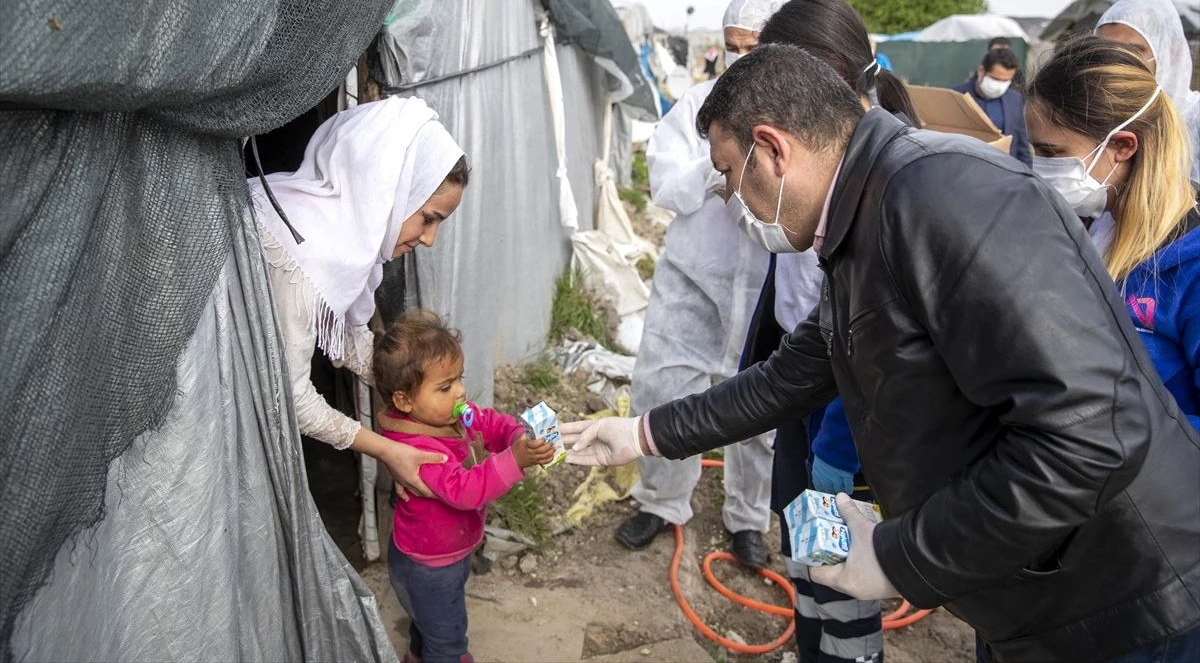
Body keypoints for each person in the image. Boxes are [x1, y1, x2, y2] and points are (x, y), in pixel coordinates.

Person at [563, 44, 1200, 663]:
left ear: (774, 149)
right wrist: (645, 432)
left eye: (729, 174)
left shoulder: (938, 198)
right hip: (1036, 586)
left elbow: (1093, 436)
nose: (730, 196)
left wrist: (902, 556)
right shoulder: (865, 213)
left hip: (1124, 601)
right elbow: (790, 375)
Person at [747, 0, 925, 663]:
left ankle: (841, 653)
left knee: (839, 560)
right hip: (809, 379)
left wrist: (840, 448)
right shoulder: (824, 161)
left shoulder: (888, 185)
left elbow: (879, 341)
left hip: (849, 415)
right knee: (805, 545)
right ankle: (816, 646)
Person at [615, 0, 775, 567]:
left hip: (761, 285)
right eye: (732, 47)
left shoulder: (790, 111)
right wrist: (716, 165)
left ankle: (748, 519)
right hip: (693, 278)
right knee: (664, 389)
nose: (740, 57)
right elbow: (662, 184)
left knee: (760, 406)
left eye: (753, 48)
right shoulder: (697, 107)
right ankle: (661, 501)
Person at [249, 95, 469, 498]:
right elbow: (289, 396)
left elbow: (344, 336)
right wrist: (388, 450)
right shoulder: (301, 249)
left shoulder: (345, 241)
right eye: (428, 218)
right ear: (390, 189)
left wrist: (425, 385)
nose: (430, 239)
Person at [1026, 36, 1199, 434]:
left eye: (1052, 154)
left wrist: (1111, 432)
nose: (1042, 169)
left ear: (1121, 145)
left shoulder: (1189, 266)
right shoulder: (1088, 230)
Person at [375, 311, 555, 663]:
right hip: (429, 566)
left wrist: (515, 436)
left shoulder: (452, 414)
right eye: (445, 386)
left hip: (445, 552)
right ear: (404, 401)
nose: (460, 391)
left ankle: (415, 654)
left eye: (459, 378)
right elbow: (466, 490)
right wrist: (513, 460)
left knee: (426, 624)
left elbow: (486, 421)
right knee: (448, 642)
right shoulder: (417, 452)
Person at [1094, 0, 1200, 181]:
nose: (1117, 61)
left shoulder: (1194, 119)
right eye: (1105, 50)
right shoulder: (1093, 117)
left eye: (1133, 51)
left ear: (1170, 52)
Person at [952, 46, 1031, 164]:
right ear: (981, 71)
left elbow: (1022, 145)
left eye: (1005, 81)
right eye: (995, 79)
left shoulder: (1015, 99)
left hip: (1004, 169)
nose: (999, 86)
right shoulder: (955, 95)